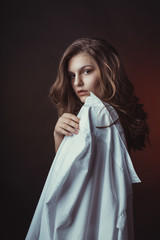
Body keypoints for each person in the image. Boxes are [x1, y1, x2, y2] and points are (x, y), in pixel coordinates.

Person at [26, 38, 149, 240]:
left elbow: (62, 187)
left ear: (108, 71)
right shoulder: (109, 115)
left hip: (79, 227)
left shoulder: (95, 112)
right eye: (71, 75)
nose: (77, 83)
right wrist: (59, 137)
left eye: (87, 71)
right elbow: (77, 171)